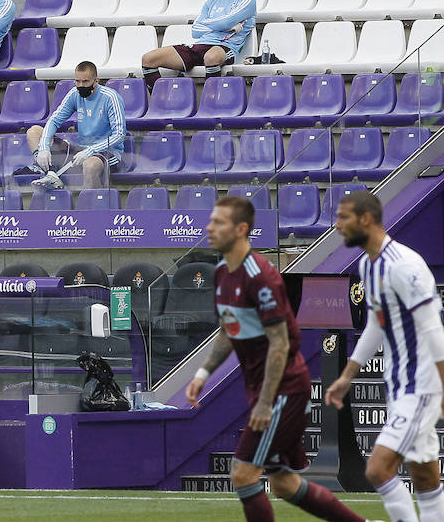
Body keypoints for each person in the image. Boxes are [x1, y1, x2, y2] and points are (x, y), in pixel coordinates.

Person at [185, 197, 368, 522]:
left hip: (282, 389)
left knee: (243, 474)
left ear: (241, 229)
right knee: (284, 483)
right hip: (266, 389)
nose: (209, 228)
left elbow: (280, 344)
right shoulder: (221, 274)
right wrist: (202, 373)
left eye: (219, 222)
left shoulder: (262, 277)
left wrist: (267, 402)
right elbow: (229, 329)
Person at [326, 191, 444, 522]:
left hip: (421, 386)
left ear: (365, 219)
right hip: (399, 386)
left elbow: (434, 330)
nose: (337, 225)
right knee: (424, 475)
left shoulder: (404, 266)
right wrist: (347, 375)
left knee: (378, 469)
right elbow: (378, 326)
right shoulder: (368, 265)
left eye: (343, 217)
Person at [141, 0, 256, 90]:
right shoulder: (211, 2)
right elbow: (196, 30)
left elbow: (223, 23)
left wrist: (217, 24)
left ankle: (212, 104)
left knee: (211, 57)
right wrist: (225, 26)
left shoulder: (247, 0)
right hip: (199, 45)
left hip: (224, 47)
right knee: (148, 59)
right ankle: (161, 103)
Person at [16, 60, 125, 191]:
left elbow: (119, 134)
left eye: (85, 82)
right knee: (34, 132)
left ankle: (89, 207)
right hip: (80, 151)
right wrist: (43, 148)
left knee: (90, 166)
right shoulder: (75, 93)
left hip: (107, 153)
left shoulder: (111, 97)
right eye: (77, 81)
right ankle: (48, 172)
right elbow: (54, 120)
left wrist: (90, 151)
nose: (80, 85)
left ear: (96, 81)